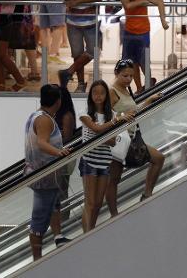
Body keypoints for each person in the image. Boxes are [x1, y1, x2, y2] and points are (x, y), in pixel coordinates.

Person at [106, 59, 164, 216]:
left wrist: (148, 100)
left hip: (131, 138)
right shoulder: (112, 91)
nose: (129, 79)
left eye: (131, 76)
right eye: (125, 76)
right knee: (114, 179)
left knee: (158, 158)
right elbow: (105, 116)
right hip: (118, 140)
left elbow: (133, 110)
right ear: (116, 74)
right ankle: (114, 214)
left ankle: (147, 194)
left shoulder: (127, 89)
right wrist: (121, 117)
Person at [24, 84, 71, 260]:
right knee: (39, 217)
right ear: (58, 102)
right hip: (44, 175)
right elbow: (42, 143)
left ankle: (58, 236)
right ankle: (37, 259)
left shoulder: (36, 115)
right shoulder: (44, 120)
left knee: (54, 205)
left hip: (44, 173)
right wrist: (59, 152)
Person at [79, 80, 133, 231]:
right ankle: (86, 236)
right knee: (89, 202)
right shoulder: (85, 113)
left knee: (97, 203)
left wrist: (102, 135)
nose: (98, 96)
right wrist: (113, 123)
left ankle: (91, 232)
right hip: (89, 161)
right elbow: (96, 128)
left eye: (102, 93)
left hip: (104, 162)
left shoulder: (112, 115)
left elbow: (112, 141)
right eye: (95, 93)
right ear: (90, 95)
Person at [59, 0, 105, 93]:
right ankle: (80, 84)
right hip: (73, 23)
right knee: (77, 54)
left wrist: (77, 0)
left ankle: (69, 71)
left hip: (91, 22)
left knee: (93, 51)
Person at [120, 0, 169, 93]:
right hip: (129, 33)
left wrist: (163, 20)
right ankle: (139, 87)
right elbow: (128, 6)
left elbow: (159, 2)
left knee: (143, 60)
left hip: (143, 33)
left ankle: (149, 82)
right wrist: (141, 2)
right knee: (132, 62)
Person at [54, 86, 76, 223]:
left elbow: (67, 139)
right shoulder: (54, 114)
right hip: (56, 156)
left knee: (61, 191)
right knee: (57, 192)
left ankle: (63, 222)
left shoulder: (66, 116)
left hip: (63, 158)